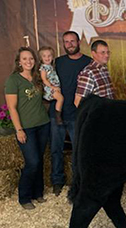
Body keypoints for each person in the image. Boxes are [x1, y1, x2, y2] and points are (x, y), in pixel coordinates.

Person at [5, 47, 50, 210]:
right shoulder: (13, 80)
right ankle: (24, 197)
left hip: (43, 124)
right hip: (27, 128)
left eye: (31, 58)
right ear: (19, 62)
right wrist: (19, 130)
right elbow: (12, 107)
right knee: (32, 162)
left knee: (39, 160)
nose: (28, 61)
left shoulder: (37, 78)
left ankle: (37, 193)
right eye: (25, 59)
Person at [52, 31, 91, 196]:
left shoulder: (88, 62)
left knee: (78, 151)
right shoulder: (58, 62)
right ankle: (57, 181)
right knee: (56, 149)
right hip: (58, 113)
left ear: (79, 41)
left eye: (72, 41)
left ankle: (78, 183)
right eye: (66, 42)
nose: (69, 44)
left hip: (78, 115)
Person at [74, 40, 115, 107]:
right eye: (103, 52)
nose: (107, 55)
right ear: (93, 53)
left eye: (108, 52)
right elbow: (78, 102)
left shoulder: (104, 70)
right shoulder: (88, 73)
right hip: (97, 115)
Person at [38, 46, 63, 125]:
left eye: (49, 56)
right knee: (60, 98)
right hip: (49, 89)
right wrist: (53, 87)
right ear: (41, 58)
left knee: (60, 97)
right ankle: (58, 115)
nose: (47, 58)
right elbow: (44, 80)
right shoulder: (43, 68)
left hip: (54, 86)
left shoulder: (51, 66)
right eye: (44, 56)